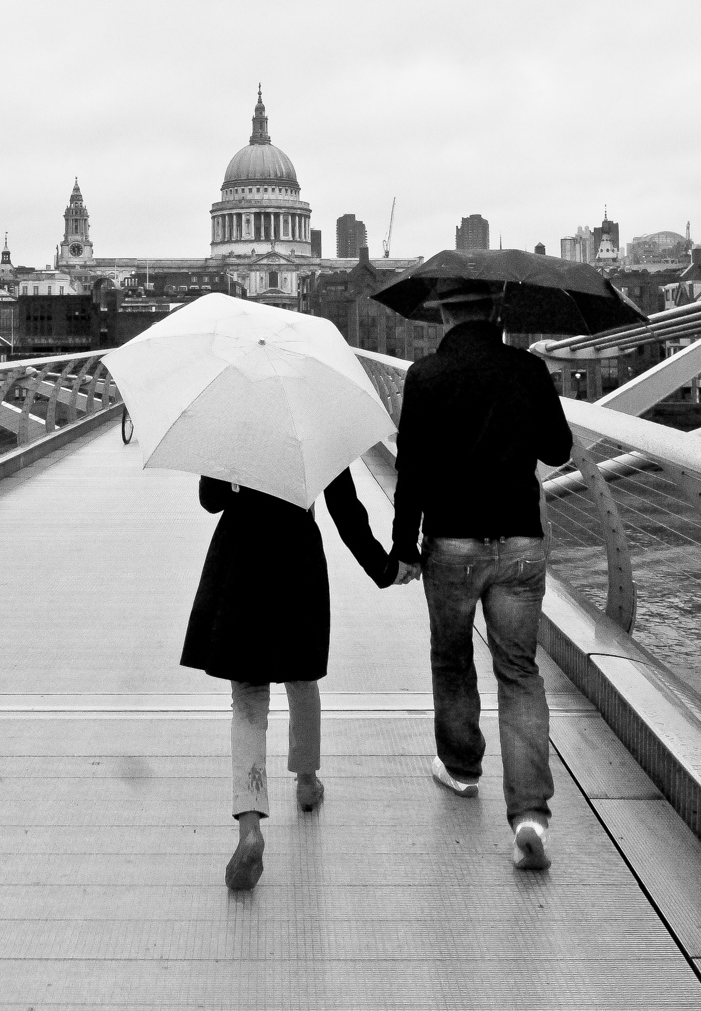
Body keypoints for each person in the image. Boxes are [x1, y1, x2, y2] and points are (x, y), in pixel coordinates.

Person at [390, 286, 573, 870]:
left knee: (451, 658)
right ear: (495, 312)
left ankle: (463, 769)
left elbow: (411, 472)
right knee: (519, 672)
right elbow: (559, 448)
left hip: (451, 543)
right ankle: (530, 816)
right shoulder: (529, 369)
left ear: (443, 313)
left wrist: (402, 548)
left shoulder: (425, 376)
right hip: (520, 541)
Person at [181, 469, 407, 890]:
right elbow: (345, 509)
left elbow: (211, 500)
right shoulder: (313, 417)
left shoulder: (234, 422)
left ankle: (250, 826)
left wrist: (234, 478)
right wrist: (385, 566)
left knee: (248, 699)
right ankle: (306, 782)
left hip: (240, 560)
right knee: (302, 678)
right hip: (297, 559)